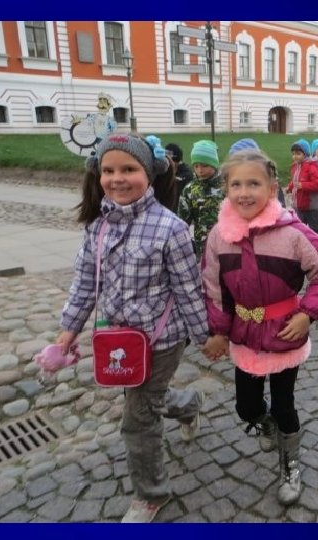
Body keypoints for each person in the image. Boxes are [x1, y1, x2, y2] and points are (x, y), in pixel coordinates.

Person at [55, 134, 211, 523]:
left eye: (129, 169)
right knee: (147, 398)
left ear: (149, 173)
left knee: (138, 418)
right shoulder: (97, 227)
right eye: (108, 170)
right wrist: (68, 330)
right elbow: (85, 282)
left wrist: (205, 337)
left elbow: (188, 289)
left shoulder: (171, 228)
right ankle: (188, 405)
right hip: (118, 340)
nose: (117, 178)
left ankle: (150, 495)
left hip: (162, 340)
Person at [201, 149, 318, 506]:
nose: (244, 192)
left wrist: (307, 313)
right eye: (236, 184)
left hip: (284, 334)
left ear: (272, 188)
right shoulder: (219, 236)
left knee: (284, 404)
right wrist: (218, 331)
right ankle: (264, 423)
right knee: (246, 406)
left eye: (254, 183)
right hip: (244, 336)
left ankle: (290, 463)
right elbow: (213, 288)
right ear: (226, 189)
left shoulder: (293, 234)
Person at [177, 140, 223, 258]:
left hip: (227, 245)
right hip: (202, 249)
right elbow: (182, 222)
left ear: (214, 164)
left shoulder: (227, 186)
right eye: (196, 166)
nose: (200, 170)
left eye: (204, 165)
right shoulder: (190, 190)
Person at [286, 139, 318, 243]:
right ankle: (304, 243)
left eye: (298, 154)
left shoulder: (311, 166)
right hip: (300, 203)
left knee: (315, 226)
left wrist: (303, 185)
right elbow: (295, 180)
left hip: (312, 205)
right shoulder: (295, 166)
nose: (295, 156)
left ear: (305, 154)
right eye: (293, 154)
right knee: (300, 225)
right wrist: (290, 187)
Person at [229, 138, 286, 206]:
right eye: (236, 184)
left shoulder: (270, 183)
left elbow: (280, 206)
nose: (244, 194)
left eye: (254, 184)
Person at [164, 143, 194, 210]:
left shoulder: (187, 173)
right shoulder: (165, 169)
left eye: (171, 160)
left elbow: (176, 182)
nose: (168, 163)